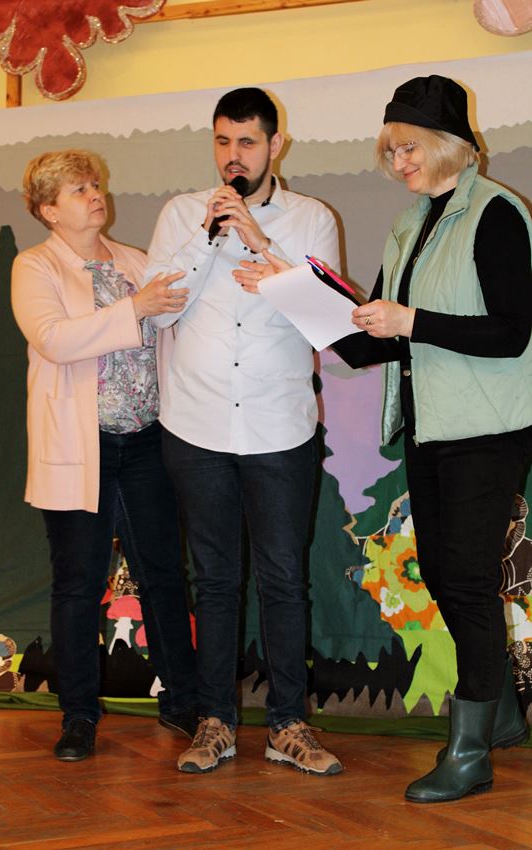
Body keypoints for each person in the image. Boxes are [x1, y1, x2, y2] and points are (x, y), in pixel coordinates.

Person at [238, 75, 532, 803]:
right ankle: (499, 712)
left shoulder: (497, 214)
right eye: (390, 151)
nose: (398, 162)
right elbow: (371, 341)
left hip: (488, 428)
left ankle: (470, 752)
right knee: (443, 574)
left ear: (451, 145)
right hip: (429, 427)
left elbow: (511, 332)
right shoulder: (409, 224)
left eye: (409, 148)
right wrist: (292, 293)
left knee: (465, 580)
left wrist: (410, 322)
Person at [144, 87, 343, 775]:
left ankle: (288, 724)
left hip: (279, 427)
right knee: (216, 581)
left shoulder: (311, 219)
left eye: (248, 142)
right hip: (196, 426)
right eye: (223, 142)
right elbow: (158, 312)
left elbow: (327, 321)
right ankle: (214, 724)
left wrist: (265, 244)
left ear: (274, 145)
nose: (234, 156)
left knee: (284, 580)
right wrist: (211, 238)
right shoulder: (182, 214)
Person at [11, 149, 198, 762]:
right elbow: (54, 339)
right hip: (80, 444)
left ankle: (184, 702)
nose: (96, 195)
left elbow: (179, 321)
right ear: (48, 210)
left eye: (95, 184)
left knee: (163, 575)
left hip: (146, 440)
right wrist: (135, 308)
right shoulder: (34, 266)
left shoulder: (135, 262)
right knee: (78, 585)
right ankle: (78, 717)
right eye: (78, 190)